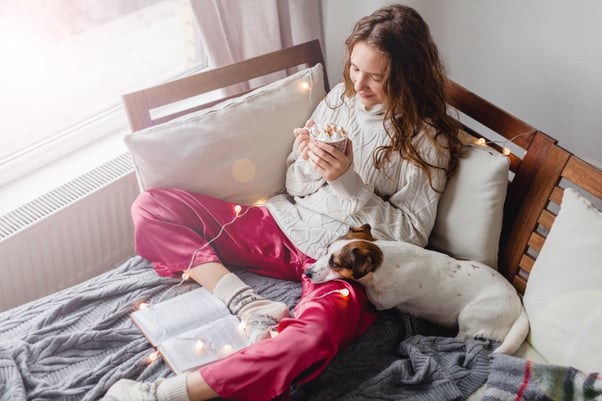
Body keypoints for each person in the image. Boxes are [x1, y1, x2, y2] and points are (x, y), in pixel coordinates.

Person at [104, 3, 462, 401]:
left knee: (312, 340)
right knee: (153, 206)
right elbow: (294, 184)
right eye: (355, 68)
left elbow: (411, 238)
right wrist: (310, 160)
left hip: (344, 265)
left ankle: (165, 394)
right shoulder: (341, 99)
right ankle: (247, 302)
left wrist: (346, 181)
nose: (359, 85)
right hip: (284, 224)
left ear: (408, 78)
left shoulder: (428, 142)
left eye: (376, 77)